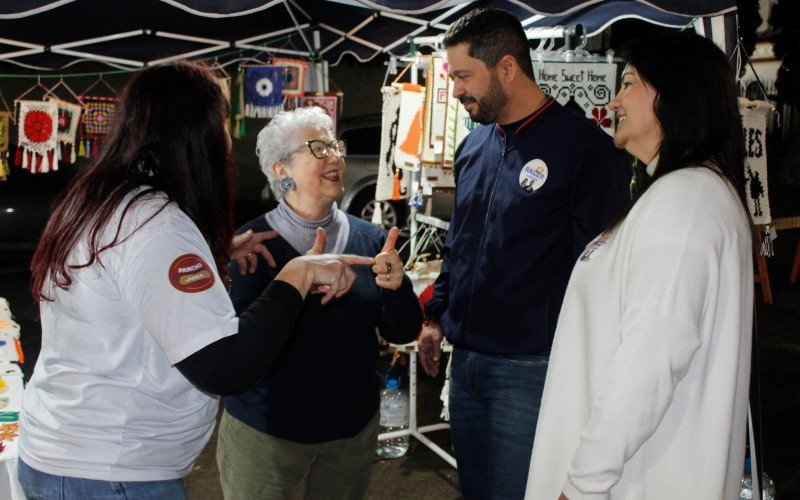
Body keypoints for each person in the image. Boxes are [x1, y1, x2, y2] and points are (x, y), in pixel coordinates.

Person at [18, 62, 374, 499]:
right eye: (220, 123)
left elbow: (131, 286)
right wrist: (296, 274)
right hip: (113, 471)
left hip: (65, 454)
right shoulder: (156, 226)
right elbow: (226, 367)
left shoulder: (103, 200)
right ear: (194, 132)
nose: (226, 140)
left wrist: (211, 255)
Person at [525, 31, 753, 499]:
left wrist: (584, 485)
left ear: (673, 97)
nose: (615, 98)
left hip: (637, 482)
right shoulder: (685, 194)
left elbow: (651, 358)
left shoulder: (685, 201)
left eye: (629, 82)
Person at [417, 7, 631, 499]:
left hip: (531, 372)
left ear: (507, 68)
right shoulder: (472, 147)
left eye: (466, 76)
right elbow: (459, 245)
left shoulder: (585, 150)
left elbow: (605, 272)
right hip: (465, 363)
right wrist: (434, 317)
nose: (458, 90)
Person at [216, 106, 422, 500]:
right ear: (281, 170)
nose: (335, 156)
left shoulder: (370, 239)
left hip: (349, 435)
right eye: (318, 147)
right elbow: (243, 347)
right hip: (267, 437)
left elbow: (402, 330)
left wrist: (398, 287)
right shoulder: (252, 245)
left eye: (336, 146)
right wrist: (298, 283)